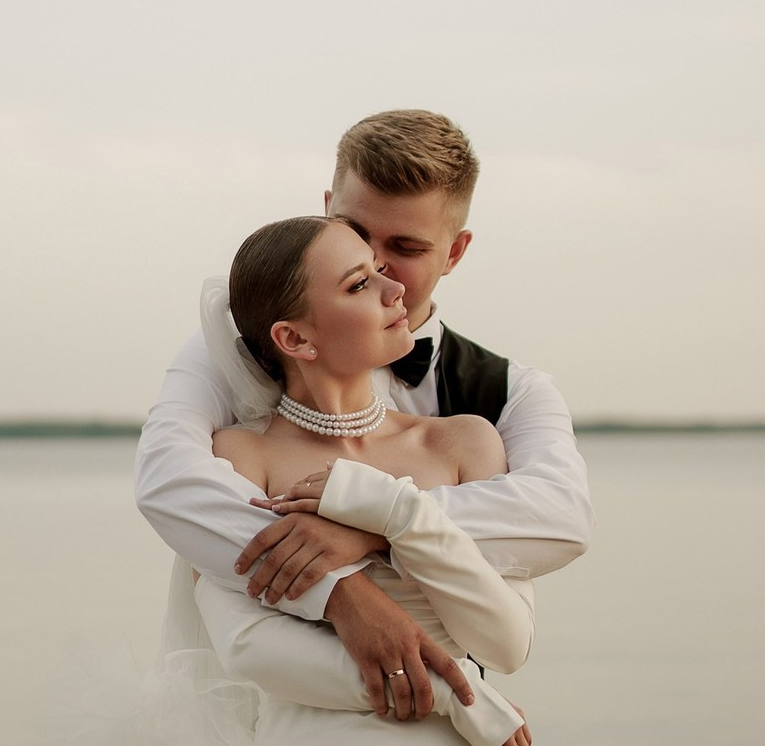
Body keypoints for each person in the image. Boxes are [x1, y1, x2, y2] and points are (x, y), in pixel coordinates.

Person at [135, 110, 591, 717]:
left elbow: (560, 520)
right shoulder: (238, 351)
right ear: (327, 208)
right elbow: (170, 483)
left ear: (454, 251)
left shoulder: (510, 396)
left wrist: (371, 525)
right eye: (353, 231)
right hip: (263, 709)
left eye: (404, 248)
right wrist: (339, 591)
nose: (377, 266)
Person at [185, 214, 534, 744]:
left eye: (379, 271)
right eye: (360, 283)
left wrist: (398, 513)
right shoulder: (242, 455)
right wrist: (452, 693)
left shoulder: (464, 442)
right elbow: (244, 643)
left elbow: (506, 643)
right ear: (295, 338)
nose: (396, 289)